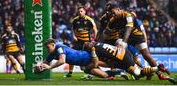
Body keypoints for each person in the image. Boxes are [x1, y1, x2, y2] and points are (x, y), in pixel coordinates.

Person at [40, 38, 175, 83]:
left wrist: (89, 67)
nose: (86, 47)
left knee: (138, 74)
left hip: (121, 58)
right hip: (122, 54)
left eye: (86, 46)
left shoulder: (93, 50)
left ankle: (157, 68)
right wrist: (40, 65)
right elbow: (117, 47)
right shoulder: (98, 45)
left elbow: (96, 63)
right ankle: (157, 69)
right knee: (136, 73)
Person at [105, 1, 170, 80]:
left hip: (136, 36)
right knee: (121, 56)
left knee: (146, 56)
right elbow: (106, 33)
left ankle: (159, 74)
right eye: (110, 13)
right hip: (124, 38)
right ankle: (142, 72)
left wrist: (123, 43)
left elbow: (129, 29)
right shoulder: (113, 20)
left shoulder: (128, 15)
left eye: (113, 12)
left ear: (118, 9)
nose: (112, 14)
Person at [65, 6, 98, 77]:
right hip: (78, 42)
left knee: (90, 57)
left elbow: (95, 30)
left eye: (81, 11)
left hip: (87, 42)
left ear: (85, 12)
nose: (80, 13)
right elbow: (72, 29)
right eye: (79, 11)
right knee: (72, 55)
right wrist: (73, 36)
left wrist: (94, 40)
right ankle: (70, 72)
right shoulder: (75, 20)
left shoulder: (90, 20)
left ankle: (91, 73)